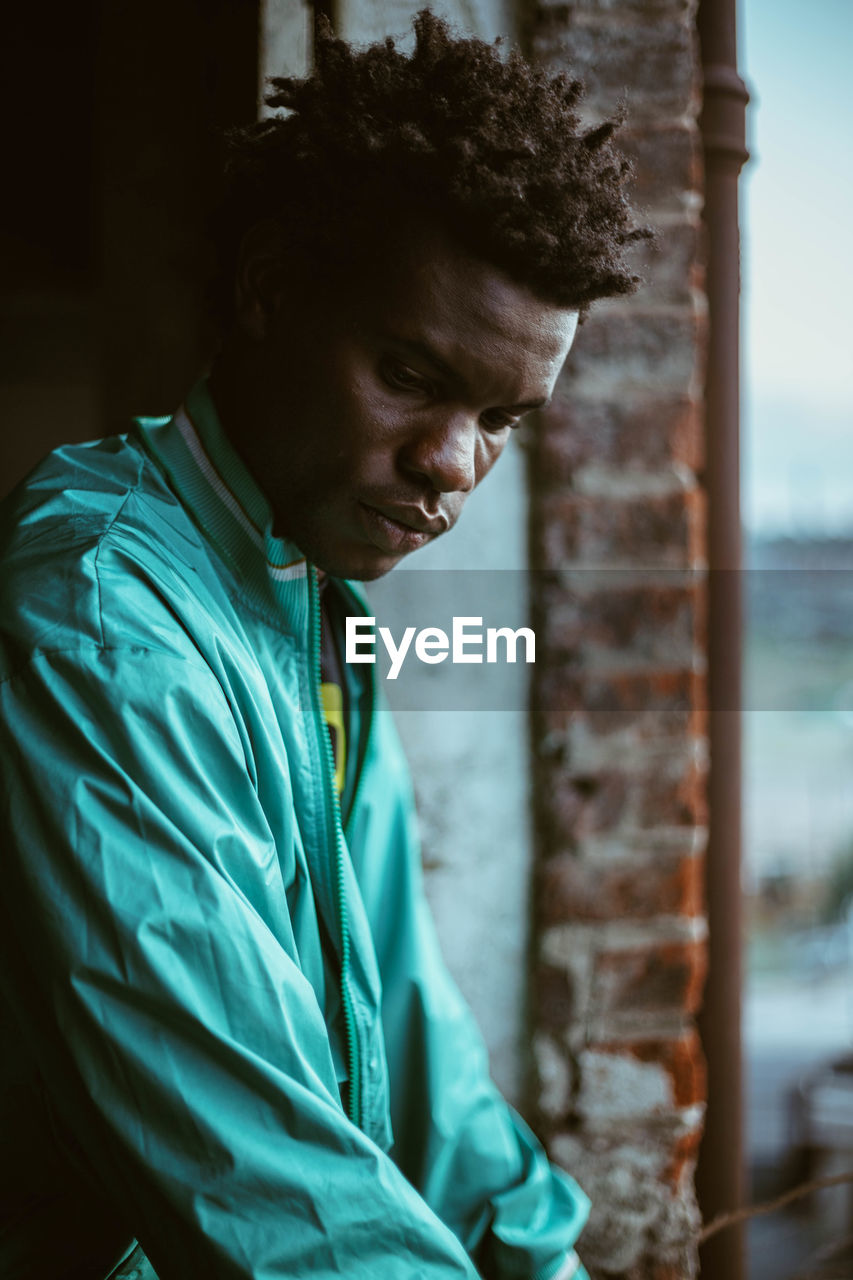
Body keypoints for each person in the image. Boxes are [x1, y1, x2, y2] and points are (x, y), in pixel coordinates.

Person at [0, 11, 645, 1279]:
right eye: (409, 372)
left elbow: (421, 1042)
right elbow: (266, 1184)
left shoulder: (314, 609)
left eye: (500, 416)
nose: (452, 466)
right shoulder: (99, 618)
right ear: (271, 289)